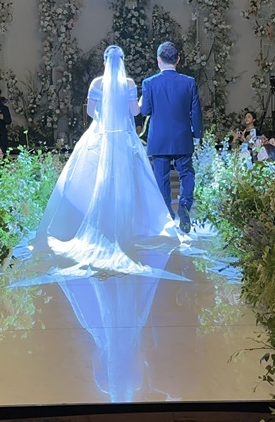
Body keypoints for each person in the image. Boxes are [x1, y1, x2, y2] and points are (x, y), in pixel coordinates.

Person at [33, 45, 178, 275]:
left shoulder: (97, 83)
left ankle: (98, 226)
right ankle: (128, 226)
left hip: (101, 135)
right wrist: (139, 103)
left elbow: (91, 112)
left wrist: (103, 118)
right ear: (122, 61)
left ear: (104, 61)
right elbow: (134, 112)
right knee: (129, 181)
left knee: (94, 179)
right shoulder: (128, 84)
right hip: (123, 136)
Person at [140, 41, 203, 233]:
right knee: (187, 173)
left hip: (159, 139)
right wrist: (197, 134)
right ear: (178, 59)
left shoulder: (149, 83)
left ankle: (166, 214)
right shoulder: (189, 82)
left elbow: (145, 111)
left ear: (158, 60)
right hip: (182, 136)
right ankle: (184, 204)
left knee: (162, 178)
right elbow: (195, 112)